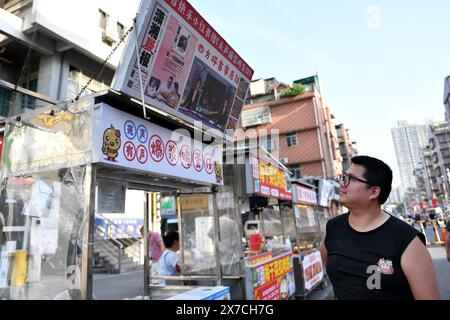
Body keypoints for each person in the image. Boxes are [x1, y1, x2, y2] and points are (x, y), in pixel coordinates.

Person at [321, 155, 440, 300]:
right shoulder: (333, 228)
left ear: (373, 192)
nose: (342, 183)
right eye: (343, 177)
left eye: (351, 179)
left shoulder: (407, 240)